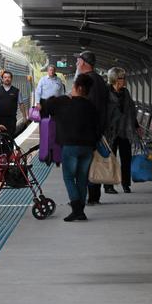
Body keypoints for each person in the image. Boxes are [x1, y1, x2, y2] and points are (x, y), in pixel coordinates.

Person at [43, 74, 98, 221]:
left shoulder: (65, 103)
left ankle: (77, 208)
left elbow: (47, 105)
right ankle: (81, 210)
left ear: (79, 88)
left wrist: (65, 96)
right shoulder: (91, 107)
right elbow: (98, 127)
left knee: (68, 177)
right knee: (82, 178)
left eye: (73, 86)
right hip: (87, 148)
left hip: (71, 146)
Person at [74, 51, 110, 205]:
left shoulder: (88, 80)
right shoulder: (99, 79)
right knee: (92, 163)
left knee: (85, 165)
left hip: (88, 130)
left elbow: (88, 107)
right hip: (96, 128)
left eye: (78, 60)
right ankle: (93, 196)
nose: (76, 63)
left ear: (83, 63)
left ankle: (90, 197)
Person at [104, 67, 140, 194]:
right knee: (110, 159)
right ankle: (108, 185)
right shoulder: (106, 92)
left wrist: (136, 126)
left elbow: (131, 111)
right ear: (114, 79)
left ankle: (126, 184)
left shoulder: (126, 92)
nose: (124, 80)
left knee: (126, 158)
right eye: (121, 78)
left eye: (124, 77)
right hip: (110, 131)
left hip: (125, 130)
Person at [0, 70, 27, 138]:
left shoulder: (16, 91)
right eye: (5, 77)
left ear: (11, 79)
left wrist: (24, 116)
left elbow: (21, 104)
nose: (7, 79)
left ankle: (10, 149)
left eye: (9, 77)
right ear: (2, 79)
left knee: (10, 138)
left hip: (11, 120)